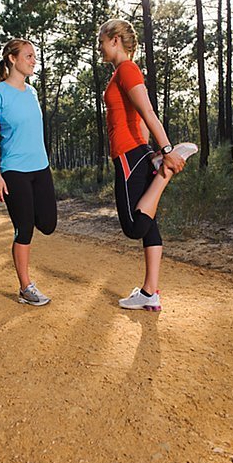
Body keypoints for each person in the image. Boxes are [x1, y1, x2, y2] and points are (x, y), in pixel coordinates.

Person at [98, 19, 198, 311]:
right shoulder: (122, 72)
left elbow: (147, 110)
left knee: (134, 226)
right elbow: (137, 116)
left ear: (115, 39)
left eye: (102, 40)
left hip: (129, 154)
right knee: (150, 221)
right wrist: (151, 150)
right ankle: (149, 292)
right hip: (137, 150)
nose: (99, 46)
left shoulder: (127, 69)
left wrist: (166, 151)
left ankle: (164, 174)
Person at [0, 38, 57, 306]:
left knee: (47, 224)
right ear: (12, 59)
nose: (33, 60)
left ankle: (24, 214)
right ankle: (25, 287)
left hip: (41, 167)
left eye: (34, 56)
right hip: (13, 170)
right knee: (24, 227)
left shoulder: (32, 92)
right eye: (28, 56)